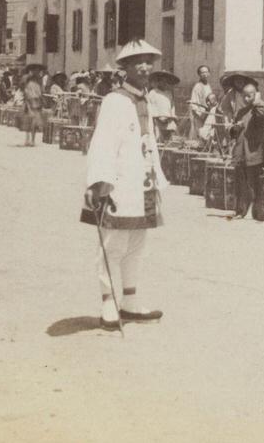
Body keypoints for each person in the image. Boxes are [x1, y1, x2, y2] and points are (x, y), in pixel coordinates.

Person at [81, 39, 170, 331]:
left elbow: (150, 143)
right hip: (119, 184)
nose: (145, 68)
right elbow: (103, 144)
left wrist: (159, 177)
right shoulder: (114, 101)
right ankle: (108, 301)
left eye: (148, 62)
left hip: (142, 183)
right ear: (125, 68)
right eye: (137, 63)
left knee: (137, 244)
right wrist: (100, 182)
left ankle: (130, 300)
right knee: (113, 243)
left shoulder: (146, 100)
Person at [228, 77, 264, 220]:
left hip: (254, 152)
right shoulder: (240, 112)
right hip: (240, 152)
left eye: (250, 95)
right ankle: (241, 210)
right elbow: (233, 133)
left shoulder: (258, 110)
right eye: (244, 95)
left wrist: (257, 101)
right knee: (241, 183)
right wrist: (235, 127)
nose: (246, 98)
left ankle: (257, 213)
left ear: (255, 94)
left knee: (255, 183)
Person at [148, 70, 180, 145]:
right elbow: (151, 106)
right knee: (158, 139)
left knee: (171, 138)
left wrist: (173, 116)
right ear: (158, 82)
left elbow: (172, 106)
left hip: (168, 119)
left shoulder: (169, 93)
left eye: (166, 82)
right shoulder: (153, 92)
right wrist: (157, 116)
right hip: (157, 119)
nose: (164, 83)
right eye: (162, 81)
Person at [188, 64, 216, 143]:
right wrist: (200, 114)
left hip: (208, 113)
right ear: (199, 74)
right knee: (199, 134)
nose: (205, 74)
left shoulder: (208, 86)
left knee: (207, 133)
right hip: (199, 114)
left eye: (206, 72)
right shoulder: (197, 86)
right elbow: (194, 103)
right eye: (202, 72)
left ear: (209, 73)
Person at [22, 68, 44, 146]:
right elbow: (40, 96)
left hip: (29, 105)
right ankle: (32, 140)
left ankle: (27, 139)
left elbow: (26, 96)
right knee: (34, 124)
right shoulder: (37, 86)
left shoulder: (28, 85)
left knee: (28, 124)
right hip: (35, 106)